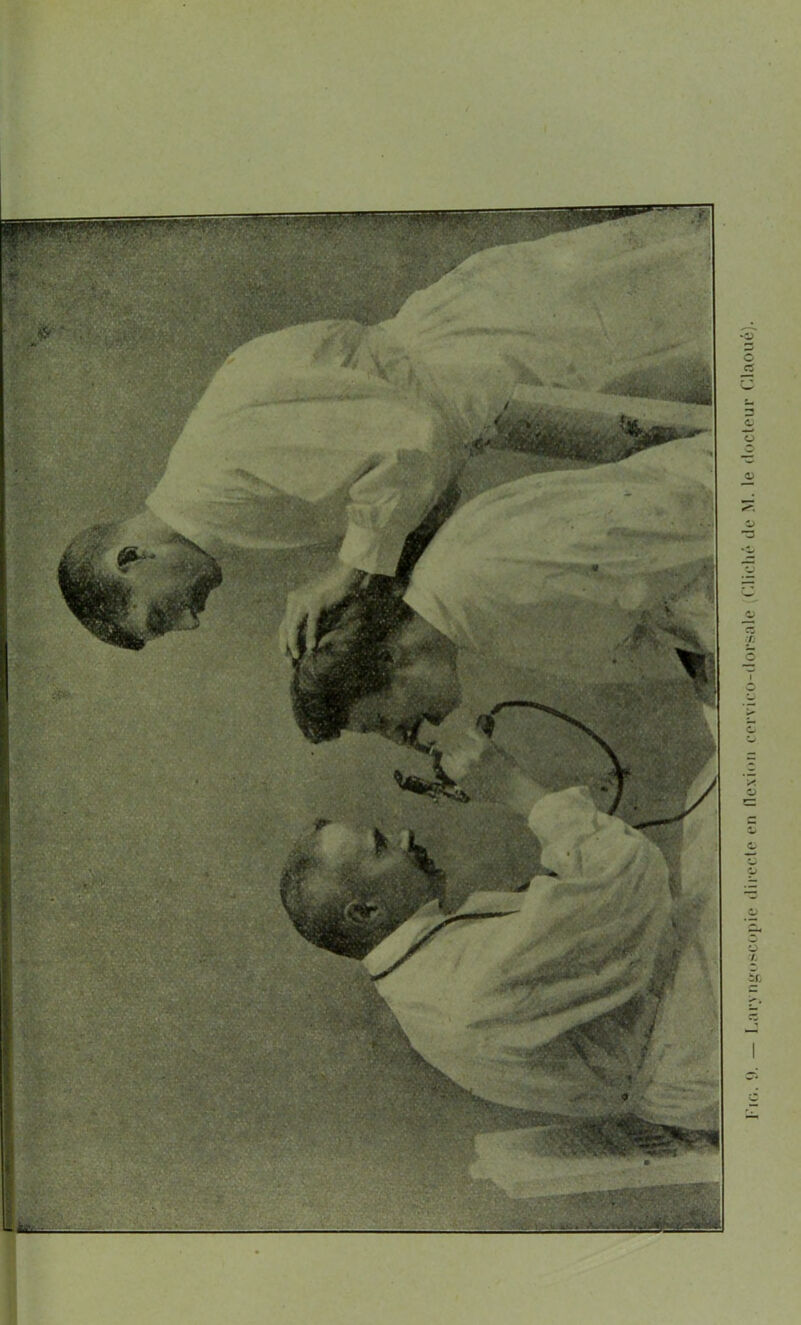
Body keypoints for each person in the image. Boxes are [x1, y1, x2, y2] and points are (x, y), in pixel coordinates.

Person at [57, 206, 711, 654]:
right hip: (497, 387)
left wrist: (346, 575)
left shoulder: (216, 470)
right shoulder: (222, 511)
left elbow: (406, 435)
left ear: (131, 558)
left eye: (161, 613)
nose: (191, 622)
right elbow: (415, 471)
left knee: (712, 298)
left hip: (501, 342)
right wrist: (377, 582)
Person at [279, 725, 719, 1130]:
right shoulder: (456, 977)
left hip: (683, 1014)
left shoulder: (422, 972)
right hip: (699, 1036)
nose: (405, 836)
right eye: (381, 846)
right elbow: (630, 878)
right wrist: (512, 786)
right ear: (366, 912)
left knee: (715, 793)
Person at [291, 432, 716, 749]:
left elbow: (683, 513)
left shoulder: (476, 575)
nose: (405, 737)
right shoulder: (465, 617)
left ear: (388, 658)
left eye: (382, 721)